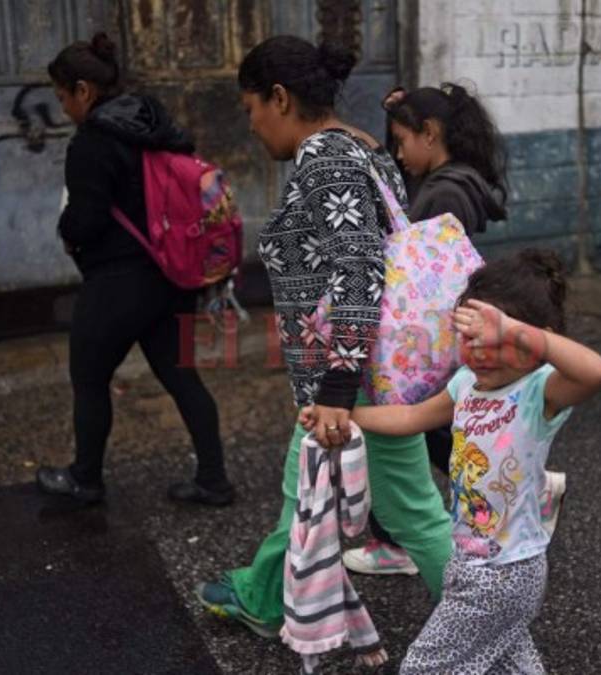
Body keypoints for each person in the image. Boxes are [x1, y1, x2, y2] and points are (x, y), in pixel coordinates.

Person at [194, 35, 453, 639]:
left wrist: (338, 385)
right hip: (345, 374)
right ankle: (265, 597)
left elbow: (359, 267)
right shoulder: (361, 147)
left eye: (251, 108)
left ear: (279, 98)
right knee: (302, 492)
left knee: (414, 513)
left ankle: (488, 624)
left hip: (355, 377)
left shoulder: (325, 158)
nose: (251, 125)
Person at [346, 250, 601, 674]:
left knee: (423, 668)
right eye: (470, 340)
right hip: (467, 560)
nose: (481, 353)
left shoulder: (541, 391)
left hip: (505, 572)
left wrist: (514, 329)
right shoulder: (466, 383)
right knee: (508, 663)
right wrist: (344, 414)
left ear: (534, 340)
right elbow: (411, 417)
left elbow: (595, 372)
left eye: (497, 341)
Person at [35, 33, 234, 506]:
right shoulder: (156, 124)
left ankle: (85, 479)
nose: (63, 107)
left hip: (118, 284)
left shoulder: (92, 142)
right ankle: (213, 481)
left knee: (88, 378)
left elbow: (86, 220)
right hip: (172, 275)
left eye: (63, 97)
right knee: (182, 376)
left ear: (84, 90)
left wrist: (67, 229)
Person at [343, 82, 510, 575]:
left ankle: (396, 541)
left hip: (427, 335)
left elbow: (415, 269)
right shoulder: (451, 182)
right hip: (442, 332)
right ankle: (397, 536)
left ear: (431, 134)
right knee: (434, 429)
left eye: (402, 140)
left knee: (417, 426)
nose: (398, 154)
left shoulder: (445, 193)